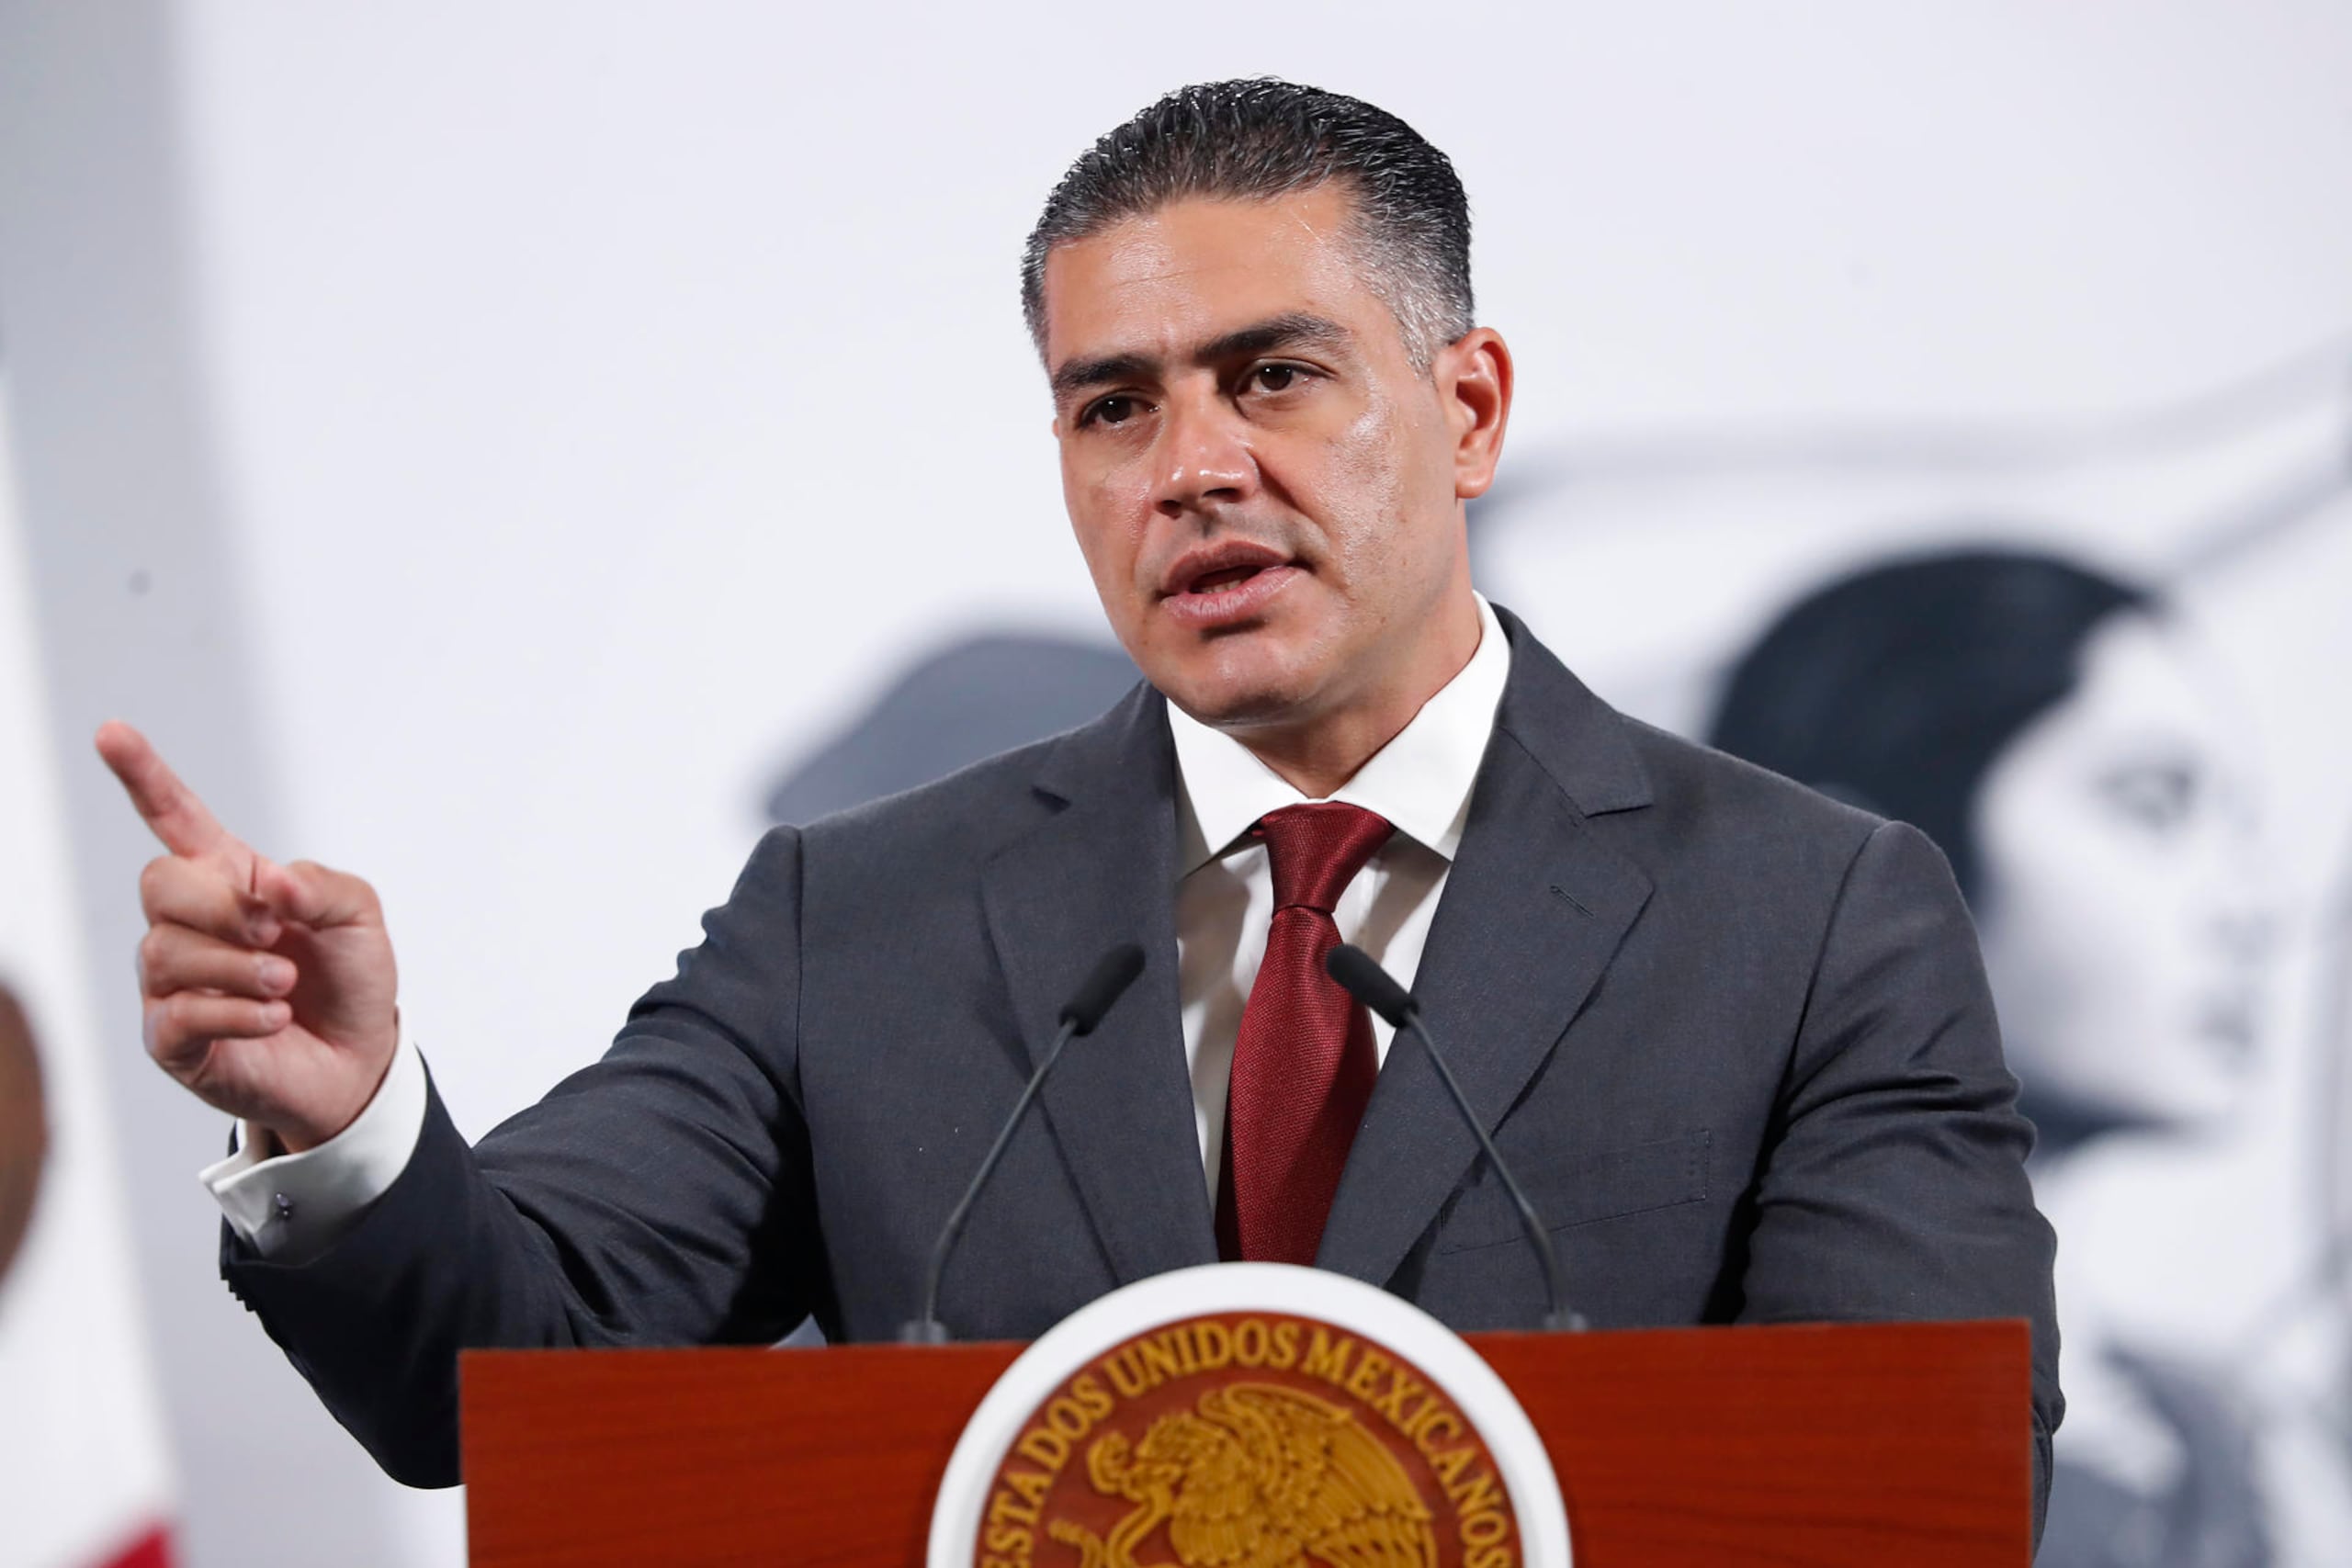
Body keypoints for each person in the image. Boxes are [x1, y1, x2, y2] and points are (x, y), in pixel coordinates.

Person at [97, 79, 2062, 1528]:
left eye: (1271, 376)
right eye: (1112, 404)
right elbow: (497, 1370)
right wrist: (346, 1114)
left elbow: (1913, 1494)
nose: (1187, 468)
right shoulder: (853, 919)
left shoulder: (1807, 920)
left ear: (1465, 411)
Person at [1710, 548, 2280, 1566]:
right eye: (2151, 805)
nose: (2249, 908)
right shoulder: (1663, 1395)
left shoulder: (2248, 1451)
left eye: (2237, 826)